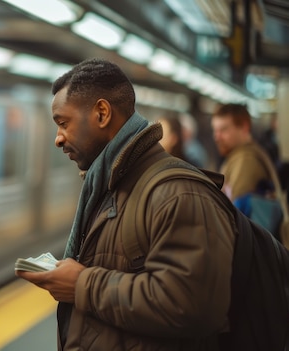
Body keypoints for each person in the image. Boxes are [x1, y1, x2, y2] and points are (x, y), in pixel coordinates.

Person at [16, 58, 235, 350]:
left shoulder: (178, 193)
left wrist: (82, 285)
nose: (58, 138)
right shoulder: (112, 187)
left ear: (102, 113)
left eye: (63, 123)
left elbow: (193, 304)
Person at [211, 103, 276, 201]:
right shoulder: (238, 155)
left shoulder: (246, 160)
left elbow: (233, 211)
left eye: (224, 129)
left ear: (244, 127)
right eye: (215, 130)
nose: (217, 137)